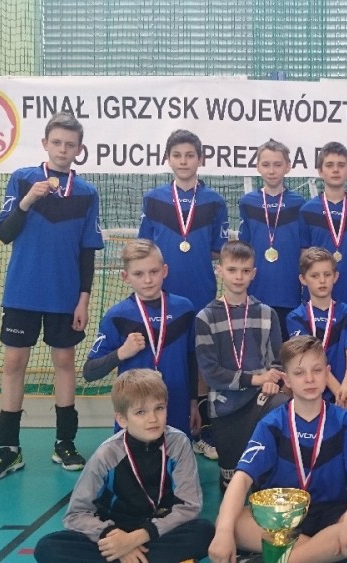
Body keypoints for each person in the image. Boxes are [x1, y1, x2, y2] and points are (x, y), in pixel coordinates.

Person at [0, 112, 103, 482]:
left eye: (70, 145)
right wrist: (28, 200)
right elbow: (5, 233)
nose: (63, 150)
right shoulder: (22, 179)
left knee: (64, 362)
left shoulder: (87, 193)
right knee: (13, 363)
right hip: (23, 291)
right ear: (45, 143)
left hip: (65, 295)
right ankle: (8, 448)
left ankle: (65, 442)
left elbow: (87, 251)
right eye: (57, 142)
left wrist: (83, 298)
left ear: (79, 150)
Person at [208, 336, 347, 563]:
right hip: (280, 516)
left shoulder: (344, 422)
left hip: (334, 514)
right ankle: (328, 552)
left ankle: (287, 558)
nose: (310, 379)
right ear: (287, 379)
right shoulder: (271, 424)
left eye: (317, 370)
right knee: (228, 523)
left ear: (327, 373)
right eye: (299, 373)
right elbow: (242, 479)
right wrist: (224, 532)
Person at [33, 369, 215, 563]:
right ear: (122, 419)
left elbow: (189, 506)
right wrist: (115, 539)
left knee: (205, 531)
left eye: (159, 408)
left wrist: (135, 539)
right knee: (48, 547)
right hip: (115, 532)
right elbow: (76, 514)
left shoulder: (178, 444)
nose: (152, 419)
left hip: (157, 531)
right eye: (140, 412)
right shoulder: (107, 454)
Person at [139, 128, 229, 462]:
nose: (183, 161)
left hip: (201, 292)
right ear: (168, 159)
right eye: (177, 155)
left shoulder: (215, 202)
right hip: (161, 295)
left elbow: (219, 249)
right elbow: (144, 246)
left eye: (190, 155)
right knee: (165, 358)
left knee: (202, 360)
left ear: (200, 159)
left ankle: (204, 430)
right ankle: (160, 427)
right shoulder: (154, 199)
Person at [195, 240, 289, 494]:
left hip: (261, 400)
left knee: (283, 406)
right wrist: (258, 379)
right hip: (225, 407)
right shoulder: (205, 317)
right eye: (232, 270)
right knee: (232, 483)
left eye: (245, 270)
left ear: (253, 273)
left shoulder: (267, 314)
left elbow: (277, 361)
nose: (239, 277)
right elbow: (211, 373)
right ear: (220, 270)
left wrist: (272, 380)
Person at [81, 239, 199, 437]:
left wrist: (194, 402)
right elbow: (89, 372)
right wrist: (121, 353)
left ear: (165, 271)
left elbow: (191, 359)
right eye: (138, 274)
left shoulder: (184, 309)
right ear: (125, 277)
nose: (148, 280)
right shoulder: (117, 316)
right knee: (133, 458)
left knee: (176, 456)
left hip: (177, 407)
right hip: (135, 413)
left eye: (154, 271)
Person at [239, 139, 306, 340]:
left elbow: (304, 251)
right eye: (266, 164)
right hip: (256, 294)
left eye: (277, 164)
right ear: (258, 167)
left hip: (290, 294)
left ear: (288, 167)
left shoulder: (300, 204)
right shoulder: (247, 203)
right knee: (257, 352)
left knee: (288, 352)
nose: (271, 170)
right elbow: (243, 250)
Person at [287, 247, 347, 418]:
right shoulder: (296, 317)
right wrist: (338, 391)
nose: (322, 280)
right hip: (312, 390)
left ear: (335, 276)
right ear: (303, 279)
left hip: (346, 389)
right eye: (314, 276)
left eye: (327, 274)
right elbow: (310, 357)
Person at [299, 141, 347, 318]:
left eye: (341, 165)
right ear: (320, 171)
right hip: (316, 299)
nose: (335, 170)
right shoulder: (307, 210)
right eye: (329, 165)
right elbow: (304, 255)